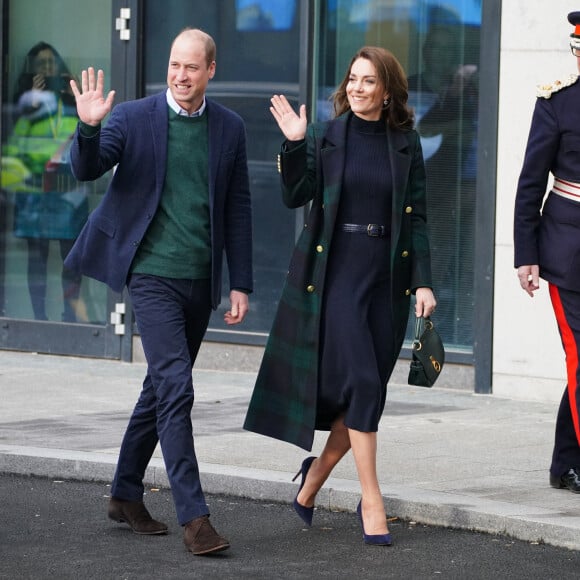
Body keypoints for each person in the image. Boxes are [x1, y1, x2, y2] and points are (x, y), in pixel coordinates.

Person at [64, 28, 253, 554]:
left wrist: (241, 282)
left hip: (200, 280)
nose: (181, 75)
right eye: (175, 65)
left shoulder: (230, 128)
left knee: (160, 388)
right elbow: (86, 168)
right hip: (150, 276)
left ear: (211, 70)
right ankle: (196, 518)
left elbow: (238, 205)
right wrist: (87, 128)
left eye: (192, 67)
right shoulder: (134, 117)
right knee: (177, 389)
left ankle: (125, 494)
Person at [244, 46, 436, 545]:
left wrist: (423, 281)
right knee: (366, 386)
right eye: (353, 79)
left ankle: (313, 478)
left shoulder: (405, 142)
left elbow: (417, 217)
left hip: (386, 280)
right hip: (337, 273)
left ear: (388, 90)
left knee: (363, 393)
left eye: (368, 81)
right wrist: (292, 144)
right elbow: (295, 193)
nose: (357, 87)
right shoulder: (328, 136)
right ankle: (372, 500)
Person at [514, 11, 580, 495]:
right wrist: (526, 253)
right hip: (568, 253)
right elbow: (531, 182)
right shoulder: (558, 102)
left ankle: (564, 462)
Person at [3, 41, 87, 322]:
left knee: (72, 259)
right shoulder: (24, 104)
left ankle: (70, 318)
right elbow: (13, 143)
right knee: (36, 261)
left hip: (68, 191)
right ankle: (39, 318)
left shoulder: (69, 100)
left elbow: (90, 132)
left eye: (52, 63)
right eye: (41, 65)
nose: (47, 69)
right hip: (35, 192)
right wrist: (30, 106)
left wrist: (75, 99)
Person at [407, 23, 478, 345]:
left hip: (467, 191)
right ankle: (420, 336)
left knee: (463, 270)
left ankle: (456, 334)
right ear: (425, 51)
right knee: (430, 267)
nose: (440, 53)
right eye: (434, 45)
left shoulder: (467, 91)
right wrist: (458, 127)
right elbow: (421, 132)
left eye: (447, 47)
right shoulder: (410, 88)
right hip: (427, 194)